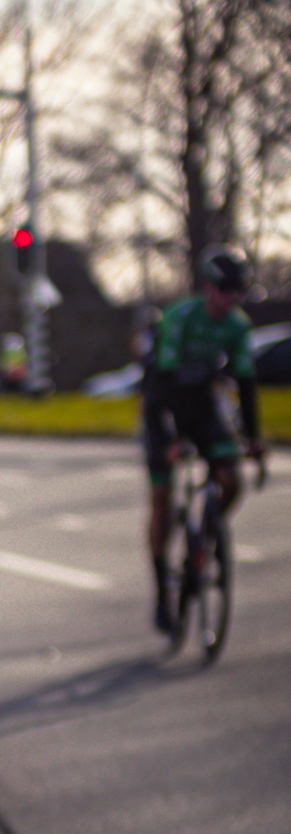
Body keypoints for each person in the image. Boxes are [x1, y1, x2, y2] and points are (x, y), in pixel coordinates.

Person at [143, 248, 269, 636]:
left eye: (239, 290)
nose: (232, 297)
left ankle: (206, 539)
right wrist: (170, 440)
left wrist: (253, 437)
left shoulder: (237, 327)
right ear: (208, 287)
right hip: (163, 405)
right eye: (226, 289)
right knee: (162, 498)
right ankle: (163, 583)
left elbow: (245, 383)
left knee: (231, 479)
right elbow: (160, 384)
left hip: (201, 406)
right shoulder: (181, 319)